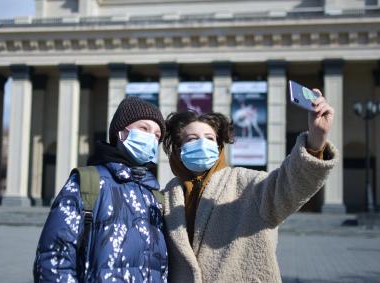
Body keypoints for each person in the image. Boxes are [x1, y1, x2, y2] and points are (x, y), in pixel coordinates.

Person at [162, 90, 338, 282]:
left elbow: (289, 185)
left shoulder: (246, 183)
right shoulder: (168, 195)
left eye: (210, 138)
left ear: (219, 146)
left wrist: (316, 140)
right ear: (179, 150)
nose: (202, 143)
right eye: (193, 139)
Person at [33, 97, 168, 282]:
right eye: (144, 128)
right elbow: (54, 257)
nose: (151, 138)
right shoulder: (88, 182)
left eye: (157, 135)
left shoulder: (154, 195)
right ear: (120, 132)